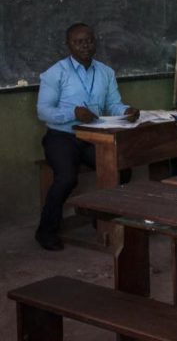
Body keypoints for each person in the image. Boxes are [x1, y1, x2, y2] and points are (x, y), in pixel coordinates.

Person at [36, 23, 139, 251]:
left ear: (95, 41)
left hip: (94, 135)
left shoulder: (105, 72)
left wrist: (125, 111)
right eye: (78, 41)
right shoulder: (56, 73)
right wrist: (72, 112)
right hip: (62, 136)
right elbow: (43, 111)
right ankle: (45, 231)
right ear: (68, 44)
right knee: (66, 178)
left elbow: (112, 103)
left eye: (89, 40)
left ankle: (99, 217)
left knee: (122, 167)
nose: (84, 46)